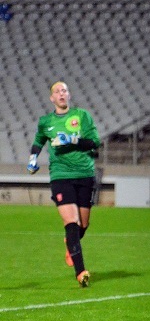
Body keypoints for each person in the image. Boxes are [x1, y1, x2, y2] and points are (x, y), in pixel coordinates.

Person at [27, 81, 101, 288]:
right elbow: (39, 140)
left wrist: (72, 140)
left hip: (84, 173)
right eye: (57, 91)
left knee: (83, 225)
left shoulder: (81, 116)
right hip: (60, 176)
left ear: (68, 95)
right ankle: (81, 272)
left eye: (64, 90)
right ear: (52, 98)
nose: (61, 93)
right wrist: (33, 158)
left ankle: (70, 244)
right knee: (71, 222)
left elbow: (95, 142)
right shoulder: (46, 122)